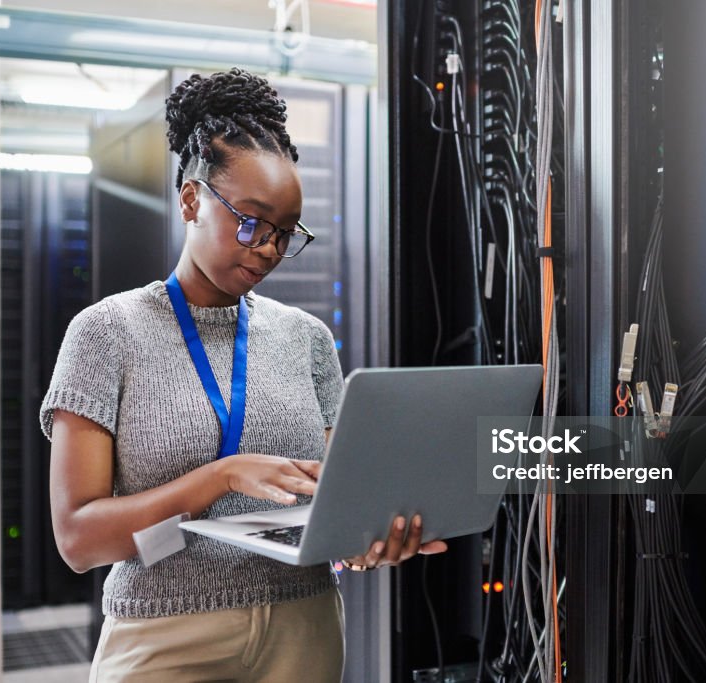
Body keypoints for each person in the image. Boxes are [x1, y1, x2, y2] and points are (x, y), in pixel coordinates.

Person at [40, 67, 448, 682]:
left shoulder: (305, 339)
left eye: (285, 234)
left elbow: (338, 501)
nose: (266, 250)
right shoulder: (106, 333)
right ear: (191, 198)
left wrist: (370, 537)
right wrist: (223, 475)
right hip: (163, 636)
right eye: (251, 221)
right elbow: (78, 539)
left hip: (302, 626)